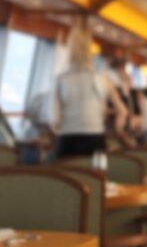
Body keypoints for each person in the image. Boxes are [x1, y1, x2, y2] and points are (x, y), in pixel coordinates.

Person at [54, 22, 127, 157]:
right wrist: (118, 130)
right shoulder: (103, 79)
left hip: (67, 140)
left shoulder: (61, 80)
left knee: (67, 171)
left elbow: (55, 119)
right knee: (94, 171)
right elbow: (122, 111)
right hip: (95, 139)